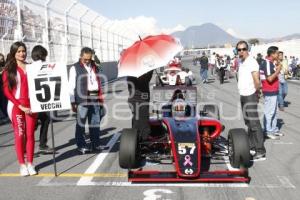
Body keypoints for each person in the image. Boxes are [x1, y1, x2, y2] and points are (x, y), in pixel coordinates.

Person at [2, 41, 38, 176]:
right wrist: (20, 105)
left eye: (23, 51)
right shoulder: (8, 70)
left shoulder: (32, 67)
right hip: (16, 106)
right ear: (13, 53)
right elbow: (7, 91)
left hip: (32, 105)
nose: (22, 53)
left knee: (30, 135)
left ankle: (30, 163)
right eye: (19, 51)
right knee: (20, 134)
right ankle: (22, 164)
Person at [69, 47, 104, 154]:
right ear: (81, 56)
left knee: (95, 123)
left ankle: (96, 144)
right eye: (85, 59)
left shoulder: (94, 65)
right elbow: (71, 86)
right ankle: (81, 145)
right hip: (82, 99)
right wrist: (72, 102)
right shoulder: (74, 68)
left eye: (89, 59)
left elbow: (99, 74)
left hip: (95, 97)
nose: (87, 61)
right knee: (81, 123)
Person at [236, 41, 266, 161]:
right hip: (243, 95)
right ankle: (252, 146)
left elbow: (256, 80)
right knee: (248, 122)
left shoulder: (252, 62)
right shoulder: (241, 62)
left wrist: (257, 94)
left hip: (250, 95)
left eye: (243, 49)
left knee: (254, 123)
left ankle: (260, 151)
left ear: (247, 49)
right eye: (239, 49)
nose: (241, 51)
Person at [30, 45, 54, 154]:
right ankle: (42, 144)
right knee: (44, 120)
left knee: (32, 124)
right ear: (42, 55)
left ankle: (27, 149)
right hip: (43, 99)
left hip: (30, 100)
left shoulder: (28, 67)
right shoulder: (46, 66)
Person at [260, 46, 282, 140]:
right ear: (272, 54)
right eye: (277, 53)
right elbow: (269, 79)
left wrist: (277, 67)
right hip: (269, 91)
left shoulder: (271, 63)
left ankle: (274, 129)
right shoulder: (267, 63)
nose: (278, 55)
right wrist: (278, 70)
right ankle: (267, 131)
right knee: (269, 112)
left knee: (275, 112)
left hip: (274, 90)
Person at [127, 70, 153, 140]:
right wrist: (150, 71)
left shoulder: (129, 71)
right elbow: (145, 80)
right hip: (140, 99)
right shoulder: (140, 74)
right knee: (143, 121)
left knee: (136, 119)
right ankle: (144, 140)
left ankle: (136, 140)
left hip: (134, 99)